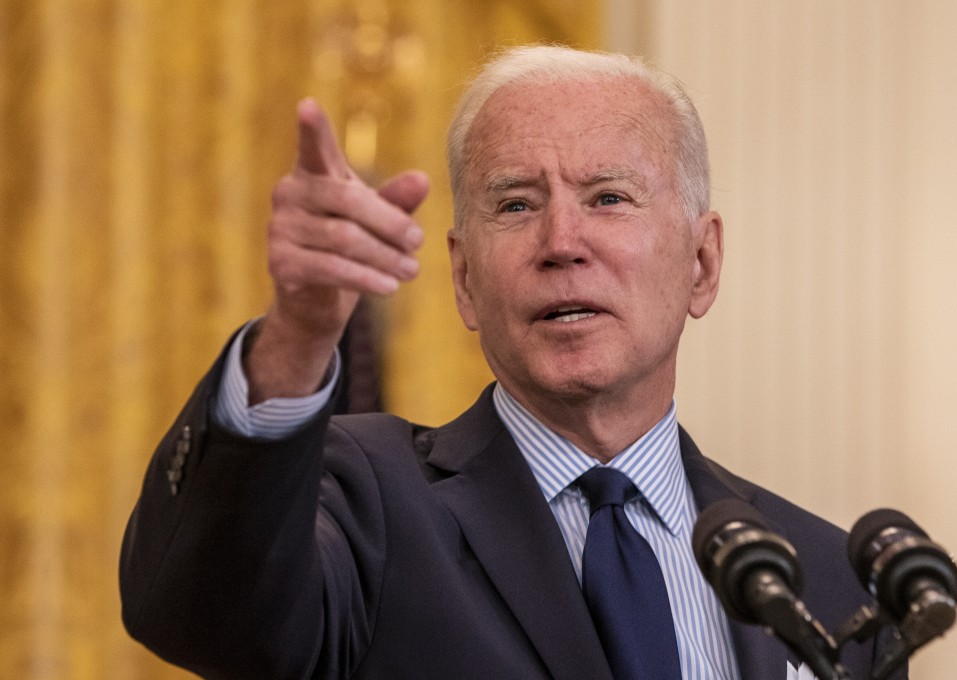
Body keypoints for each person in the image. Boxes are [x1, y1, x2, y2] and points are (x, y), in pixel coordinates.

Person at [120, 46, 902, 680]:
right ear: (463, 279)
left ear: (701, 263)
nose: (562, 242)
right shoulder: (369, 502)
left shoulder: (828, 580)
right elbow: (209, 617)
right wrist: (297, 333)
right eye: (517, 204)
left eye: (608, 198)